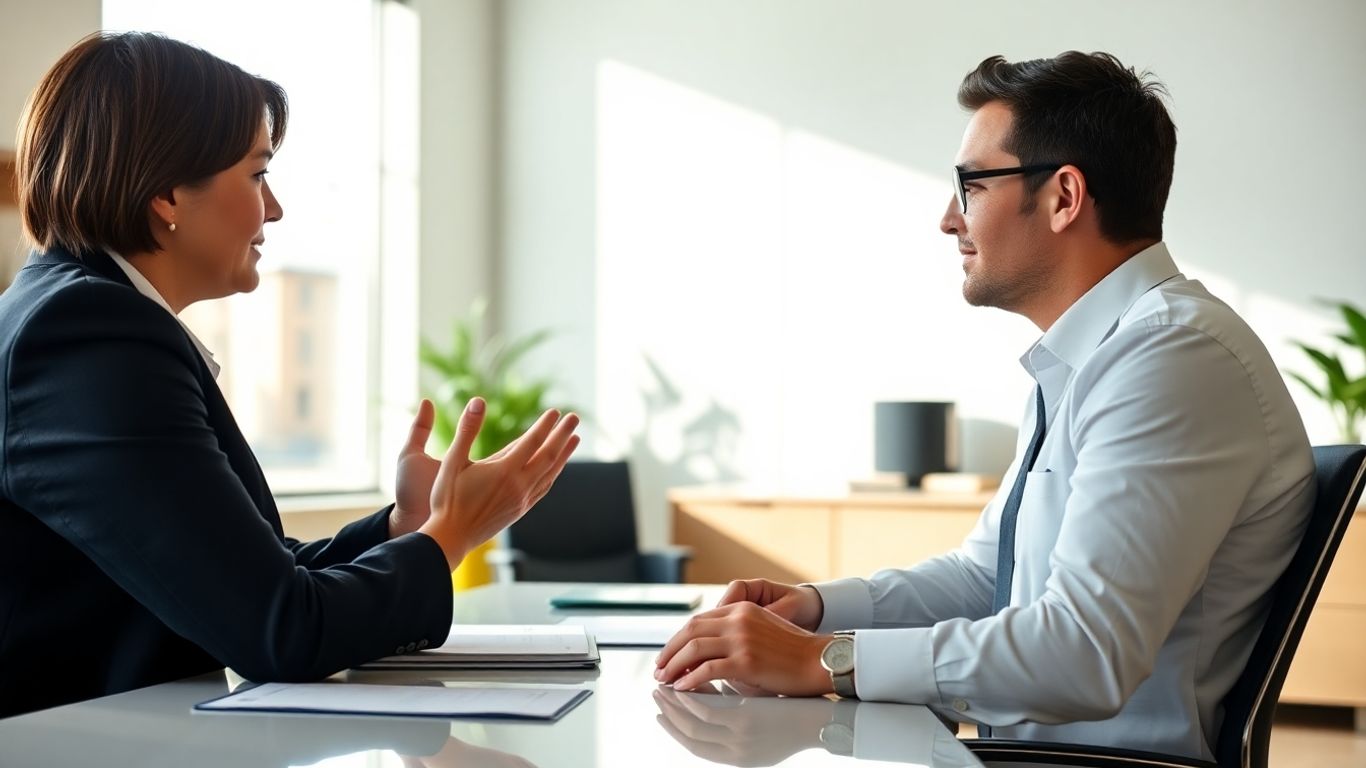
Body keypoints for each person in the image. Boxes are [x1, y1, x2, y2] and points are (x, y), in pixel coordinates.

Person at [654, 51, 1315, 760]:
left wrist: (823, 660)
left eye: (970, 185)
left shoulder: (1174, 359)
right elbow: (985, 578)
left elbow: (1084, 653)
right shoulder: (1090, 359)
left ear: (1064, 197)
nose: (948, 218)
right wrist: (815, 609)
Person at [0, 31, 579, 718]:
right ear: (166, 195)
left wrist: (406, 524)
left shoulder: (81, 316)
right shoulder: (87, 337)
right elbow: (283, 630)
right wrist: (447, 537)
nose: (273, 208)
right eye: (256, 173)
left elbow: (256, 572)